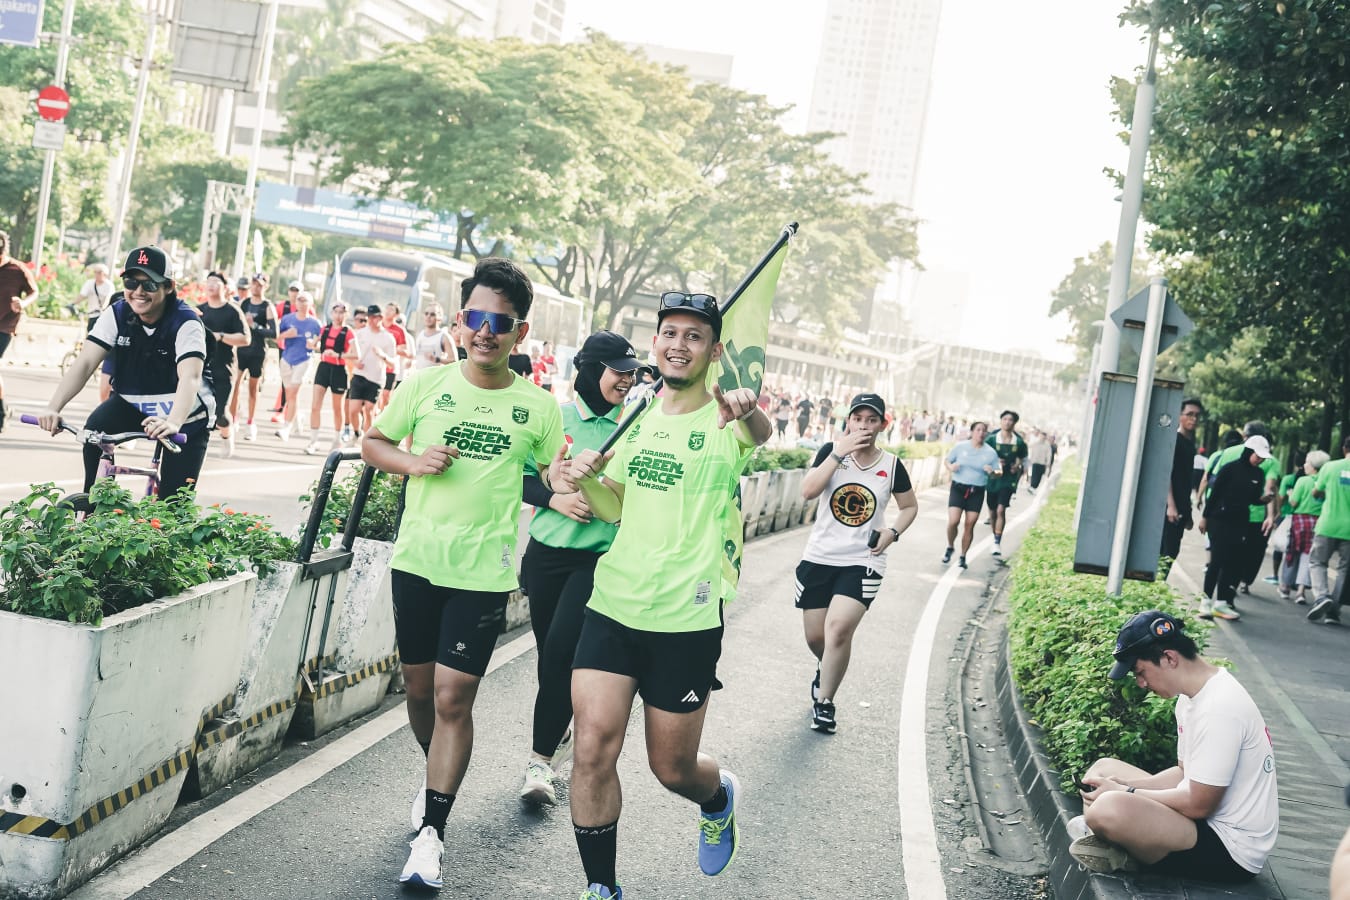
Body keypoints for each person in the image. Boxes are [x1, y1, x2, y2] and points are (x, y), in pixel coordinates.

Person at [560, 290, 772, 899]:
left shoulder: (725, 417)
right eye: (669, 333)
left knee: (671, 768)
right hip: (614, 605)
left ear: (713, 350)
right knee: (592, 750)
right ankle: (601, 887)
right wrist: (587, 479)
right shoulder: (637, 416)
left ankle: (717, 795)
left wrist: (745, 409)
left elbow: (759, 433)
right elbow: (614, 507)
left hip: (687, 616)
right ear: (656, 342)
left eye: (694, 336)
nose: (679, 345)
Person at [361, 259, 566, 889]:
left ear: (519, 332)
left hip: (483, 573)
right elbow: (374, 444)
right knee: (420, 696)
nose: (486, 331)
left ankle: (433, 834)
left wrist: (566, 480)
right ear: (460, 321)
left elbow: (553, 474)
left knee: (454, 699)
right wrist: (413, 462)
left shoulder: (538, 407)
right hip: (418, 564)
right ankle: (436, 779)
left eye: (499, 322)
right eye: (477, 318)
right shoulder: (424, 385)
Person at [518, 330, 642, 807]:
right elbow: (520, 476)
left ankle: (539, 763)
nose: (627, 381)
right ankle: (556, 732)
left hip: (598, 561)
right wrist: (558, 499)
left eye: (632, 373)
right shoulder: (558, 418)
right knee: (550, 655)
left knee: (559, 657)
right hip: (546, 555)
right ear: (590, 371)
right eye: (618, 371)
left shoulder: (633, 426)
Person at [1069, 610, 1278, 882]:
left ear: (1169, 658)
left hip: (1229, 849)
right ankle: (1120, 842)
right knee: (1104, 769)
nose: (1142, 684)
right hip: (1199, 822)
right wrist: (1120, 784)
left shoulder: (1220, 709)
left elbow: (1198, 805)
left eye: (1141, 672)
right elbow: (1183, 774)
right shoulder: (1192, 697)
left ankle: (1127, 851)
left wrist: (1127, 791)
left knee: (1109, 808)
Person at [36, 246, 212, 498]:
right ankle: (97, 505)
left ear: (169, 286)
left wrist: (173, 422)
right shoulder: (118, 313)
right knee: (94, 431)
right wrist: (54, 407)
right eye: (131, 282)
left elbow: (190, 376)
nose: (138, 292)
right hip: (134, 404)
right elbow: (85, 362)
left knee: (173, 509)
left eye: (149, 285)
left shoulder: (186, 322)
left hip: (186, 416)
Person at [795, 393, 918, 734]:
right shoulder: (829, 453)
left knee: (838, 630)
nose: (864, 425)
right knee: (816, 637)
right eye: (858, 418)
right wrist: (838, 453)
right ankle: (827, 668)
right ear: (848, 420)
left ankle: (825, 702)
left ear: (882, 424)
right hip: (819, 557)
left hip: (863, 560)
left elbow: (909, 507)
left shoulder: (891, 465)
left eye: (871, 419)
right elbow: (807, 491)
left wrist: (892, 531)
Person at [1198, 421, 1279, 600]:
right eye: (1258, 456)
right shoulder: (1229, 468)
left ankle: (1222, 601)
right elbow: (1215, 494)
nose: (1260, 460)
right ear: (1249, 451)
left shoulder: (1257, 474)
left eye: (1263, 457)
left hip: (1241, 520)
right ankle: (1205, 599)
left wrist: (1262, 501)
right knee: (1216, 560)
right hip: (1220, 518)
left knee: (1232, 561)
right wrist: (1205, 517)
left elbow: (1252, 498)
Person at [196, 271, 250, 457]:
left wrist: (220, 337)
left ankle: (227, 435)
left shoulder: (232, 311)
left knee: (221, 415)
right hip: (200, 368)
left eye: (216, 281)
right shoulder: (199, 310)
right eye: (208, 281)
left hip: (224, 368)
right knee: (196, 410)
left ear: (225, 287)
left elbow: (245, 338)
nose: (211, 284)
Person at [942, 421, 1000, 568]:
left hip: (977, 491)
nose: (981, 433)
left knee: (970, 524)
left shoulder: (990, 452)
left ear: (986, 434)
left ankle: (963, 556)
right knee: (953, 521)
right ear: (972, 431)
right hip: (958, 488)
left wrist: (992, 472)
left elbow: (999, 471)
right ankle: (950, 546)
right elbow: (947, 460)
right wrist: (951, 467)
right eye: (978, 429)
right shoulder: (961, 447)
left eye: (984, 430)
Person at [1306, 435, 1350, 625]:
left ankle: (1322, 596)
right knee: (1344, 569)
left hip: (1328, 524)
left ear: (1344, 448)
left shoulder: (1330, 467)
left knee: (1317, 562)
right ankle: (1333, 612)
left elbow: (1316, 491)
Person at [0, 230, 39, 433]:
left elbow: (35, 291)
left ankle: (1, 415)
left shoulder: (18, 269)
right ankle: (4, 410)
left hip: (5, 325)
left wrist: (23, 303)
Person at [307, 301, 358, 454]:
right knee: (315, 405)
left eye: (342, 312)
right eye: (336, 312)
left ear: (346, 315)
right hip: (323, 368)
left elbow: (356, 354)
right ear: (331, 313)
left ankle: (336, 440)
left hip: (338, 370)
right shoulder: (325, 329)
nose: (338, 315)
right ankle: (313, 441)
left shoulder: (348, 332)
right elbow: (314, 345)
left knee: (337, 408)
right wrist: (311, 343)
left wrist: (338, 355)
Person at [1161, 398, 1203, 576]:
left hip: (1181, 508)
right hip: (1170, 509)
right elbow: (1166, 474)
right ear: (1179, 416)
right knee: (1165, 554)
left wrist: (1188, 513)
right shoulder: (1174, 441)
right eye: (1189, 414)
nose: (1193, 419)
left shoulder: (1190, 444)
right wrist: (1170, 505)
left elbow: (1185, 480)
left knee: (1172, 553)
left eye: (1197, 416)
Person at [231, 276, 276, 441]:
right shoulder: (245, 303)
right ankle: (233, 418)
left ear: (265, 287)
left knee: (252, 388)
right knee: (235, 385)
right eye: (254, 284)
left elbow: (274, 333)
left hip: (258, 352)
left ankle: (250, 423)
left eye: (260, 285)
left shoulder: (267, 306)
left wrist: (255, 326)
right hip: (242, 350)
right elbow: (237, 324)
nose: (256, 287)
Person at [274, 291, 323, 443]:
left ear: (310, 304)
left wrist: (314, 345)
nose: (301, 303)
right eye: (299, 300)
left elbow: (320, 344)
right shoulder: (287, 319)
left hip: (304, 359)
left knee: (293, 393)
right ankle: (297, 417)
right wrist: (286, 335)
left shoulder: (315, 324)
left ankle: (286, 428)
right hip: (287, 359)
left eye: (305, 300)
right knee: (289, 394)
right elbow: (276, 337)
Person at [1281, 450, 1329, 603]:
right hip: (1318, 522)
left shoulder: (1303, 481)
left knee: (1292, 552)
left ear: (1313, 466)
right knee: (1309, 556)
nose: (1304, 465)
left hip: (1300, 521)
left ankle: (1286, 587)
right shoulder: (1326, 483)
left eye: (1307, 463)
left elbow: (1294, 503)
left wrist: (1290, 495)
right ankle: (1301, 592)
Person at [346, 305, 396, 442]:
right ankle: (356, 433)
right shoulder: (361, 333)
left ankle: (367, 441)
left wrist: (382, 355)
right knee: (353, 409)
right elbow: (350, 354)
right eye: (369, 317)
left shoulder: (388, 337)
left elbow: (393, 363)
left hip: (376, 378)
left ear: (380, 318)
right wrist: (355, 363)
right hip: (359, 374)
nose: (371, 320)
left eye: (374, 317)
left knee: (369, 410)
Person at [985, 410, 1028, 556]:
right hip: (993, 479)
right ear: (1001, 421)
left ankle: (997, 542)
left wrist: (1017, 465)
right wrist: (995, 462)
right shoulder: (991, 439)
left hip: (1008, 480)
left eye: (1011, 420)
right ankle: (994, 535)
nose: (1007, 422)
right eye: (1005, 419)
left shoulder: (1019, 442)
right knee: (992, 511)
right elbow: (983, 455)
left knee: (1001, 509)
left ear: (1015, 423)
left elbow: (1022, 458)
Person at [379, 302, 410, 410]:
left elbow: (405, 351)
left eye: (391, 310)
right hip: (376, 366)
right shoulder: (378, 326)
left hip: (391, 368)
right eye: (386, 308)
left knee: (386, 396)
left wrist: (391, 348)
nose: (387, 311)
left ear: (396, 315)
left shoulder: (399, 331)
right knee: (375, 396)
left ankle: (381, 420)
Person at [411, 303, 453, 371]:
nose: (428, 316)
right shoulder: (420, 334)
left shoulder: (444, 337)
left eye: (432, 314)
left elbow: (454, 361)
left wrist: (437, 359)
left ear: (440, 317)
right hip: (418, 377)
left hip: (435, 378)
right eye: (426, 313)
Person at [78, 263, 113, 332]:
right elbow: (82, 295)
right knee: (89, 333)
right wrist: (72, 304)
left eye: (99, 272)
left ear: (105, 274)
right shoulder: (89, 283)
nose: (96, 274)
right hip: (92, 315)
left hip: (103, 315)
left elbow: (108, 299)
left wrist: (102, 309)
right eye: (95, 272)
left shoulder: (109, 286)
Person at [1026, 428, 1052, 494]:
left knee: (1039, 476)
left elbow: (1049, 454)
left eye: (1044, 437)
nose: (1042, 438)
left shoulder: (1047, 445)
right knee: (1034, 475)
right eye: (1041, 436)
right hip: (1035, 461)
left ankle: (1034, 487)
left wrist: (1048, 462)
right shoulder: (1036, 442)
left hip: (1042, 463)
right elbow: (1029, 447)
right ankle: (1032, 486)